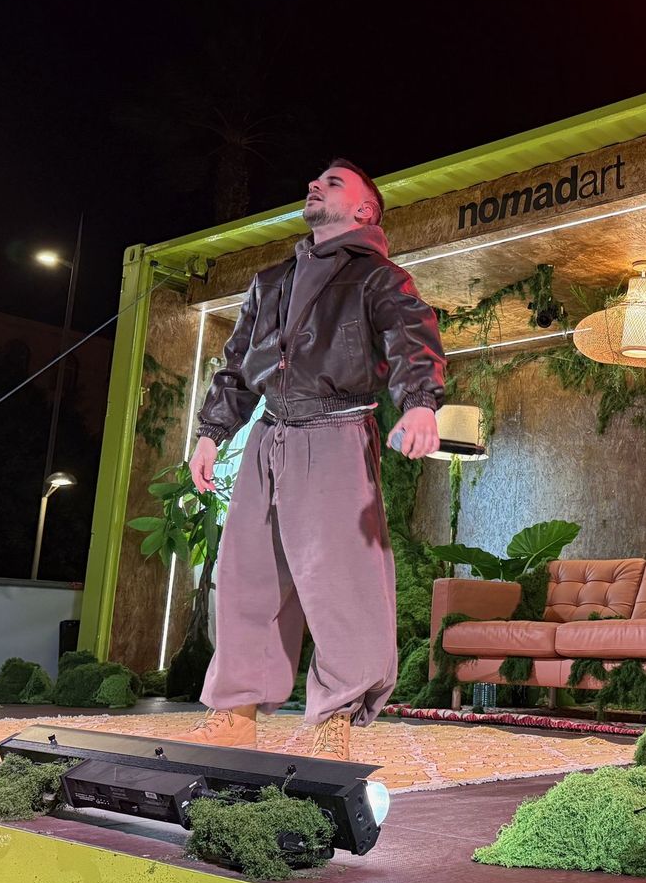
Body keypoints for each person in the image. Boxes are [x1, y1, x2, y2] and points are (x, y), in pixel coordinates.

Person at [178, 159, 445, 760]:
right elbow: (238, 361)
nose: (314, 185)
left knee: (342, 580)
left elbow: (411, 336)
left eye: (332, 183)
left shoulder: (379, 278)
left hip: (336, 430)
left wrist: (421, 402)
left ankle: (338, 714)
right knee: (246, 576)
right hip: (268, 436)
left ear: (363, 210)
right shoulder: (270, 280)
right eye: (315, 180)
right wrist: (211, 433)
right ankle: (236, 711)